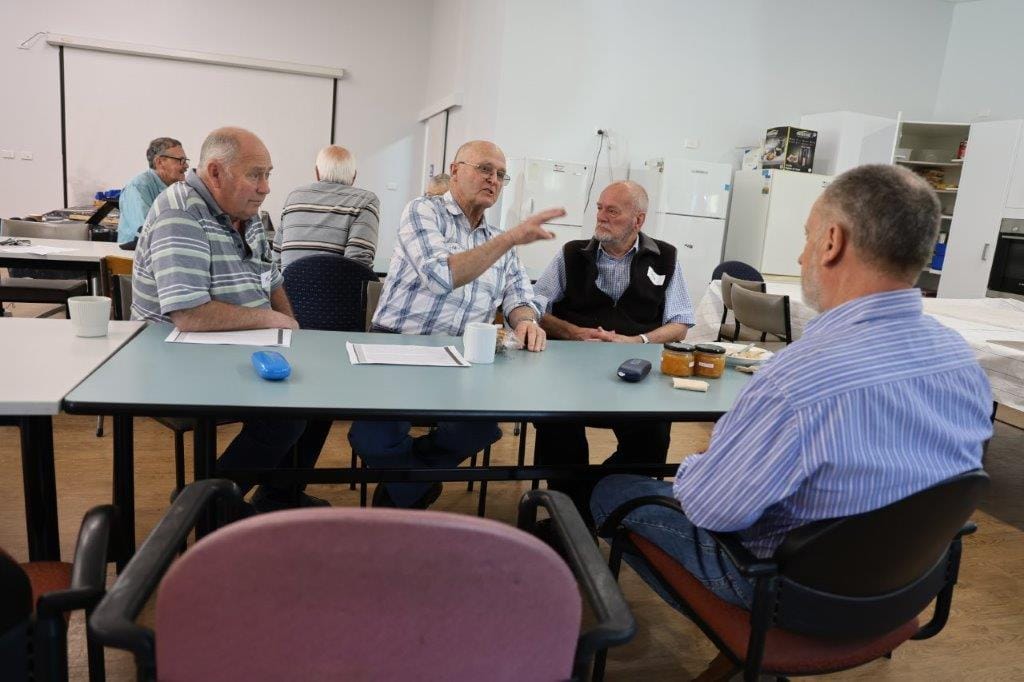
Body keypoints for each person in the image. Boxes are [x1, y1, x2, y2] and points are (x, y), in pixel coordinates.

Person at [590, 164, 992, 675]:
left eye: (805, 237)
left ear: (831, 242)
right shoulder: (962, 364)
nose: (801, 255)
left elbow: (709, 510)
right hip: (907, 594)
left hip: (786, 598)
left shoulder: (798, 379)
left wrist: (701, 462)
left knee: (612, 489)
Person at [349, 139, 564, 509]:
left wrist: (526, 320)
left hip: (460, 357)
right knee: (373, 438)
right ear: (455, 171)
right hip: (398, 345)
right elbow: (440, 276)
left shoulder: (498, 240)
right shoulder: (422, 212)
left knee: (480, 429)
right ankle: (414, 488)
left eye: (500, 174)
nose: (493, 180)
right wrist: (512, 237)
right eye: (484, 169)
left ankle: (404, 486)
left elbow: (518, 295)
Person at [131, 126, 326, 513]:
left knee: (321, 397)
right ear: (216, 173)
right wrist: (273, 320)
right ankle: (207, 502)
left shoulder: (247, 212)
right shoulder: (179, 212)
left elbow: (272, 278)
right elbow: (188, 313)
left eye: (269, 173)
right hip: (174, 358)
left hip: (237, 343)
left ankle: (278, 495)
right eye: (256, 174)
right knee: (284, 418)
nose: (266, 186)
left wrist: (291, 327)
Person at [532, 180, 695, 519]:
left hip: (637, 372)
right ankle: (570, 514)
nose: (601, 217)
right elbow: (536, 307)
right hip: (571, 374)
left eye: (613, 211)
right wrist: (572, 332)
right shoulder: (571, 254)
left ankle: (592, 499)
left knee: (653, 434)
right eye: (599, 208)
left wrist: (638, 341)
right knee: (555, 424)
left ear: (638, 220)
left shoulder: (666, 258)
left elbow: (680, 322)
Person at [273, 145, 379, 269]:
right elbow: (359, 264)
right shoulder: (366, 201)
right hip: (336, 287)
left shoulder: (293, 197)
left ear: (317, 173)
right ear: (354, 176)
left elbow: (276, 257)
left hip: (286, 287)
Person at [117, 137, 189, 244]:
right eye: (180, 160)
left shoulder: (179, 188)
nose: (186, 166)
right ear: (159, 162)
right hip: (134, 256)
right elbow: (144, 231)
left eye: (185, 161)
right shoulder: (138, 187)